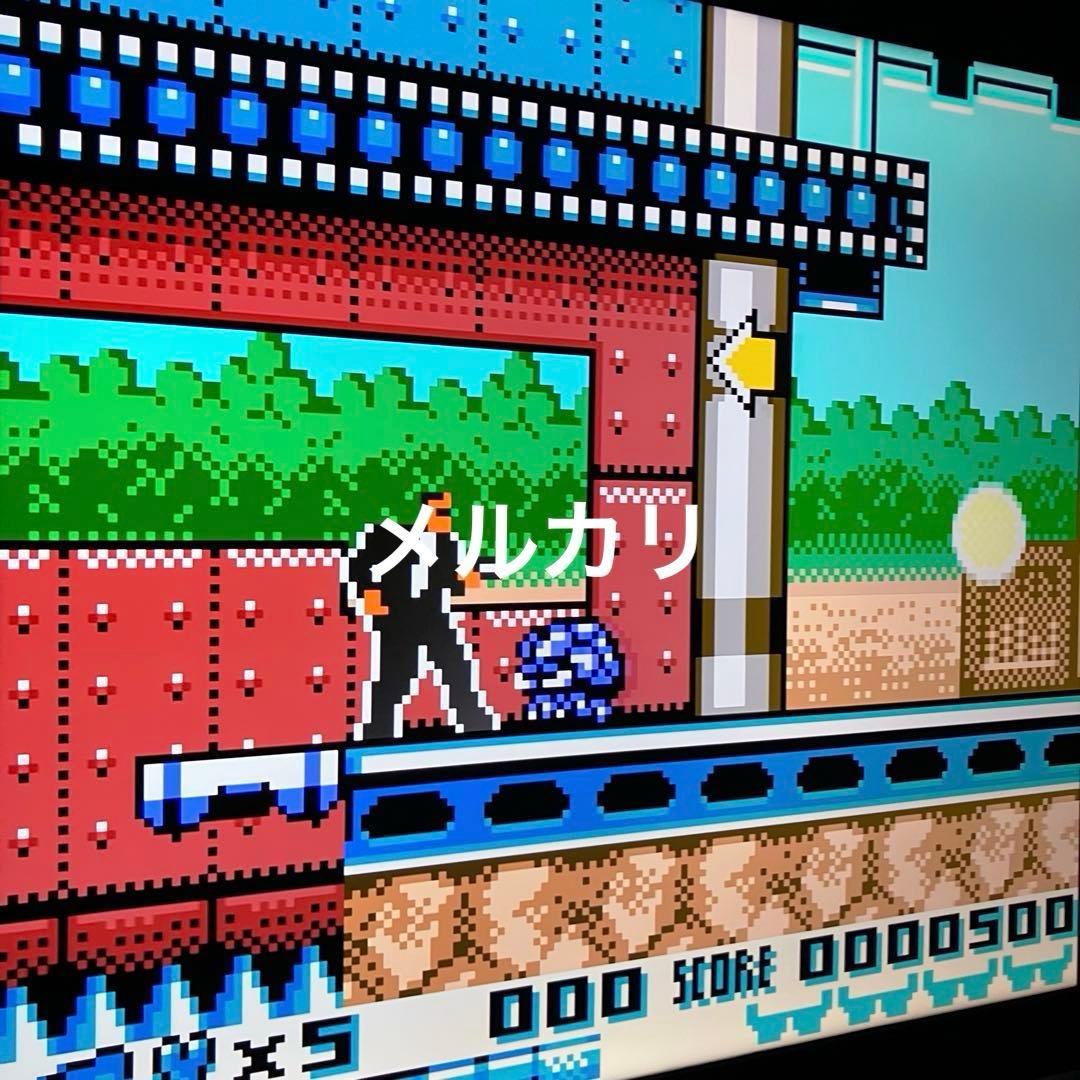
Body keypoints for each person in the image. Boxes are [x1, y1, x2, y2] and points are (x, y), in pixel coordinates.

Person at [341, 492, 500, 739]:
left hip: (434, 618)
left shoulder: (448, 543)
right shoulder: (387, 535)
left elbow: (457, 577)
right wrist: (369, 592)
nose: (444, 519)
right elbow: (359, 566)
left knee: (457, 672)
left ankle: (477, 725)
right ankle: (376, 733)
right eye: (438, 512)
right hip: (397, 621)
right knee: (392, 681)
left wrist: (474, 574)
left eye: (446, 513)